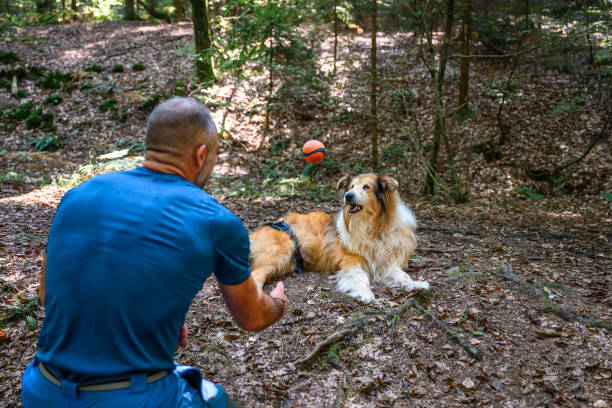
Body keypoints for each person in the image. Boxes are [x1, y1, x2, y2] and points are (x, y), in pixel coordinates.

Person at [21, 97, 289, 408]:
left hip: (41, 389)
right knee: (216, 399)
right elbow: (253, 317)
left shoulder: (77, 195)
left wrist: (158, 319)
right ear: (202, 155)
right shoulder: (216, 221)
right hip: (134, 399)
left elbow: (46, 296)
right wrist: (278, 303)